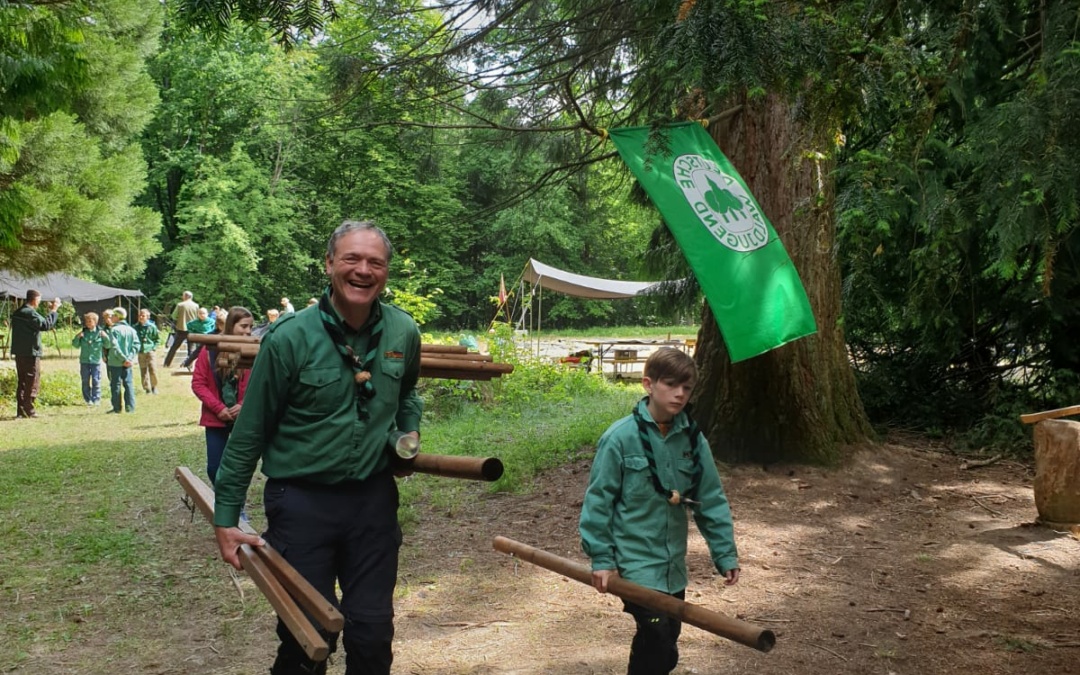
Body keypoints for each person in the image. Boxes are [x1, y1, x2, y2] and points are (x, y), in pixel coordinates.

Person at [213, 220, 422, 675]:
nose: (363, 270)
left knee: (372, 634)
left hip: (373, 504)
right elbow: (251, 431)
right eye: (351, 259)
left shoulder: (403, 332)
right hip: (301, 505)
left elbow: (407, 393)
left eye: (375, 262)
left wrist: (409, 435)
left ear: (386, 272)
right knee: (307, 638)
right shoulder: (289, 338)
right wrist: (226, 519)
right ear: (329, 264)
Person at [579, 347, 740, 675]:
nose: (680, 394)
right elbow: (599, 503)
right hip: (635, 565)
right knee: (655, 634)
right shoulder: (620, 438)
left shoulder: (693, 440)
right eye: (671, 385)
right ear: (648, 384)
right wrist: (602, 559)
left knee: (666, 642)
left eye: (687, 387)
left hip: (672, 568)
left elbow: (710, 499)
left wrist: (725, 555)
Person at [191, 307, 253, 486]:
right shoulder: (210, 350)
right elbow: (198, 383)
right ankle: (225, 501)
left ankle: (236, 506)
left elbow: (260, 383)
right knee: (214, 467)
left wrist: (243, 404)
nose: (248, 331)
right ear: (231, 325)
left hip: (243, 417)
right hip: (216, 417)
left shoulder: (254, 349)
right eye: (243, 326)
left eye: (250, 326)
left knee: (240, 466)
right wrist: (219, 408)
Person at [11, 290, 59, 418]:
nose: (39, 302)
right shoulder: (30, 313)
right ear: (34, 299)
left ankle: (20, 410)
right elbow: (45, 325)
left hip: (19, 351)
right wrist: (54, 311)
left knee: (22, 381)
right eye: (39, 300)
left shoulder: (18, 312)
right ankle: (29, 410)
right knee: (32, 380)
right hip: (30, 352)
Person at [105, 307, 141, 414]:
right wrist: (129, 358)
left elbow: (114, 347)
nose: (111, 318)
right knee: (128, 384)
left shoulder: (114, 330)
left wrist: (123, 358)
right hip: (128, 363)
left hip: (115, 362)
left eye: (113, 316)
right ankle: (130, 408)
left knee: (115, 385)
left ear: (117, 317)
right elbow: (136, 345)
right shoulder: (132, 330)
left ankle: (117, 408)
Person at [72, 312, 108, 406]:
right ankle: (88, 400)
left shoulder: (100, 333)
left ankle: (96, 399)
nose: (87, 323)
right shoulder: (83, 333)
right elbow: (75, 345)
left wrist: (106, 337)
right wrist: (77, 337)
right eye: (86, 321)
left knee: (96, 380)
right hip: (84, 361)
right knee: (85, 380)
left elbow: (108, 345)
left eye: (90, 321)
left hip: (96, 361)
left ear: (95, 322)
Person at [163, 291, 199, 367]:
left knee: (174, 347)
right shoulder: (196, 306)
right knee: (191, 348)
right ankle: (189, 365)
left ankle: (166, 364)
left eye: (183, 296)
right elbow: (197, 317)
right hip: (192, 330)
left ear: (185, 296)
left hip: (181, 329)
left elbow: (173, 316)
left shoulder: (180, 305)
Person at [134, 308, 160, 395]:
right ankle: (147, 388)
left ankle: (154, 387)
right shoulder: (136, 327)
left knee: (152, 369)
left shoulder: (152, 327)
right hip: (141, 351)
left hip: (150, 350)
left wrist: (154, 348)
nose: (141, 317)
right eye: (139, 315)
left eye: (143, 315)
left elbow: (157, 339)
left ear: (147, 317)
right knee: (143, 370)